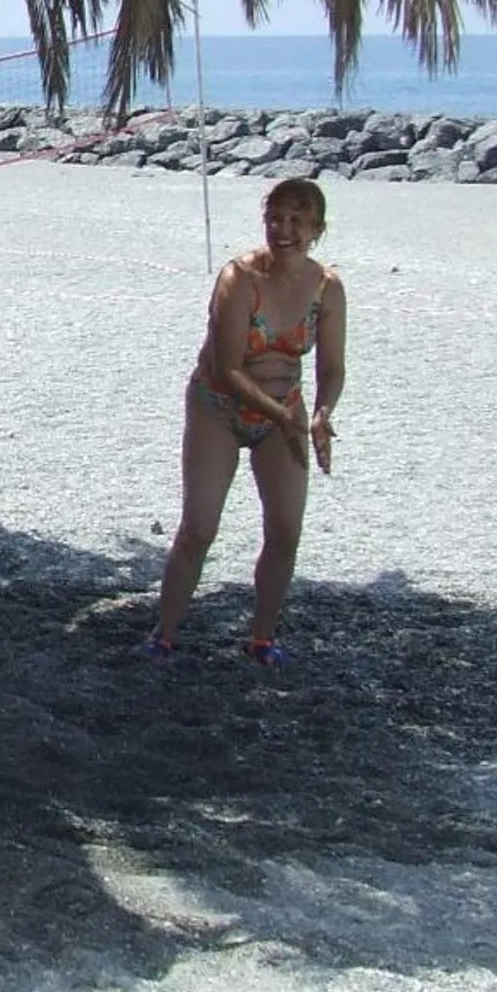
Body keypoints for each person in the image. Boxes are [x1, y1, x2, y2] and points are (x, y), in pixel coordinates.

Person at [142, 177, 349, 665]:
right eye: (276, 218)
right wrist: (286, 419)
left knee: (285, 530)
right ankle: (164, 632)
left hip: (285, 409)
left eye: (298, 221)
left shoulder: (327, 288)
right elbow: (226, 368)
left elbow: (333, 366)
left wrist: (320, 415)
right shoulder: (239, 278)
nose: (285, 230)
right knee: (199, 527)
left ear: (317, 229)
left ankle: (262, 637)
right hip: (219, 406)